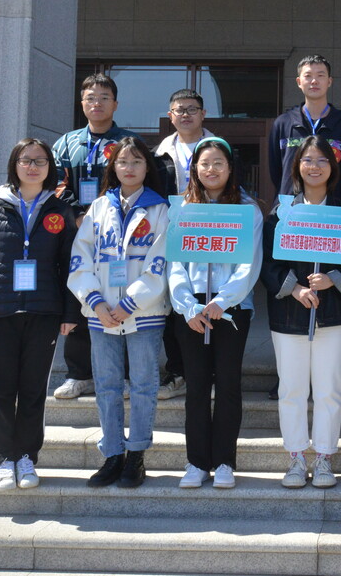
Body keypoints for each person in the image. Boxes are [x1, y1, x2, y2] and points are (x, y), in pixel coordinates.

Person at [0, 139, 78, 491]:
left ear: (50, 168)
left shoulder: (60, 209)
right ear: (14, 164)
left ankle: (26, 457)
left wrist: (70, 311)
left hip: (44, 310)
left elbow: (69, 265)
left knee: (32, 389)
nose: (32, 167)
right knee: (0, 390)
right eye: (26, 160)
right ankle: (2, 459)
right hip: (0, 310)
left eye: (40, 161)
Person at [261, 136, 341, 489]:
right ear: (297, 166)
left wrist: (333, 278)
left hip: (332, 314)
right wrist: (295, 288)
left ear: (332, 168)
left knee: (328, 390)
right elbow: (268, 265)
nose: (315, 166)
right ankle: (295, 458)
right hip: (289, 315)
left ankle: (323, 457)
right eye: (308, 159)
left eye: (322, 160)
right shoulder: (281, 213)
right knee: (291, 389)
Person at [67, 136, 170, 489]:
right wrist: (95, 301)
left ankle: (136, 456)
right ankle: (112, 454)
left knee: (143, 385)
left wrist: (129, 304)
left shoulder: (160, 209)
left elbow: (160, 264)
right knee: (107, 386)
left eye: (137, 161)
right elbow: (80, 258)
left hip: (144, 313)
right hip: (101, 313)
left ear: (147, 167)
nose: (129, 167)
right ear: (113, 167)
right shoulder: (98, 208)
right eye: (123, 161)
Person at [168, 137, 263, 490]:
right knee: (196, 386)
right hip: (192, 308)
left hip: (231, 308)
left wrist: (223, 302)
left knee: (227, 384)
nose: (211, 170)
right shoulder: (182, 209)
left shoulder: (248, 210)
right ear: (195, 168)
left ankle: (224, 461)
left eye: (218, 163)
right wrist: (187, 305)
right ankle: (196, 462)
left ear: (230, 168)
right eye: (204, 163)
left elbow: (249, 265)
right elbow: (174, 264)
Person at [51, 73, 141, 400]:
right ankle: (79, 374)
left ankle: (127, 374)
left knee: (120, 297)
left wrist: (107, 214)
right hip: (77, 233)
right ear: (82, 104)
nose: (97, 103)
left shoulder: (128, 142)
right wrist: (77, 214)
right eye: (91, 98)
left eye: (104, 97)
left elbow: (133, 180)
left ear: (115, 104)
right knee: (80, 298)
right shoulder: (67, 143)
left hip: (118, 234)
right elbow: (55, 183)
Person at [153, 88, 217, 402]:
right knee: (174, 305)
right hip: (171, 236)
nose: (186, 115)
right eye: (180, 110)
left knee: (210, 300)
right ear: (170, 116)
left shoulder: (219, 149)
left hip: (211, 237)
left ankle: (210, 373)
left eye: (192, 109)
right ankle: (178, 372)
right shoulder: (159, 155)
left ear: (203, 114)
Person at [268, 54, 341, 202]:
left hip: (331, 209)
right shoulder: (283, 123)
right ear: (299, 82)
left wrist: (335, 198)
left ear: (329, 81)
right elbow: (276, 171)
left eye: (320, 75)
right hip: (290, 208)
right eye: (308, 76)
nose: (314, 81)